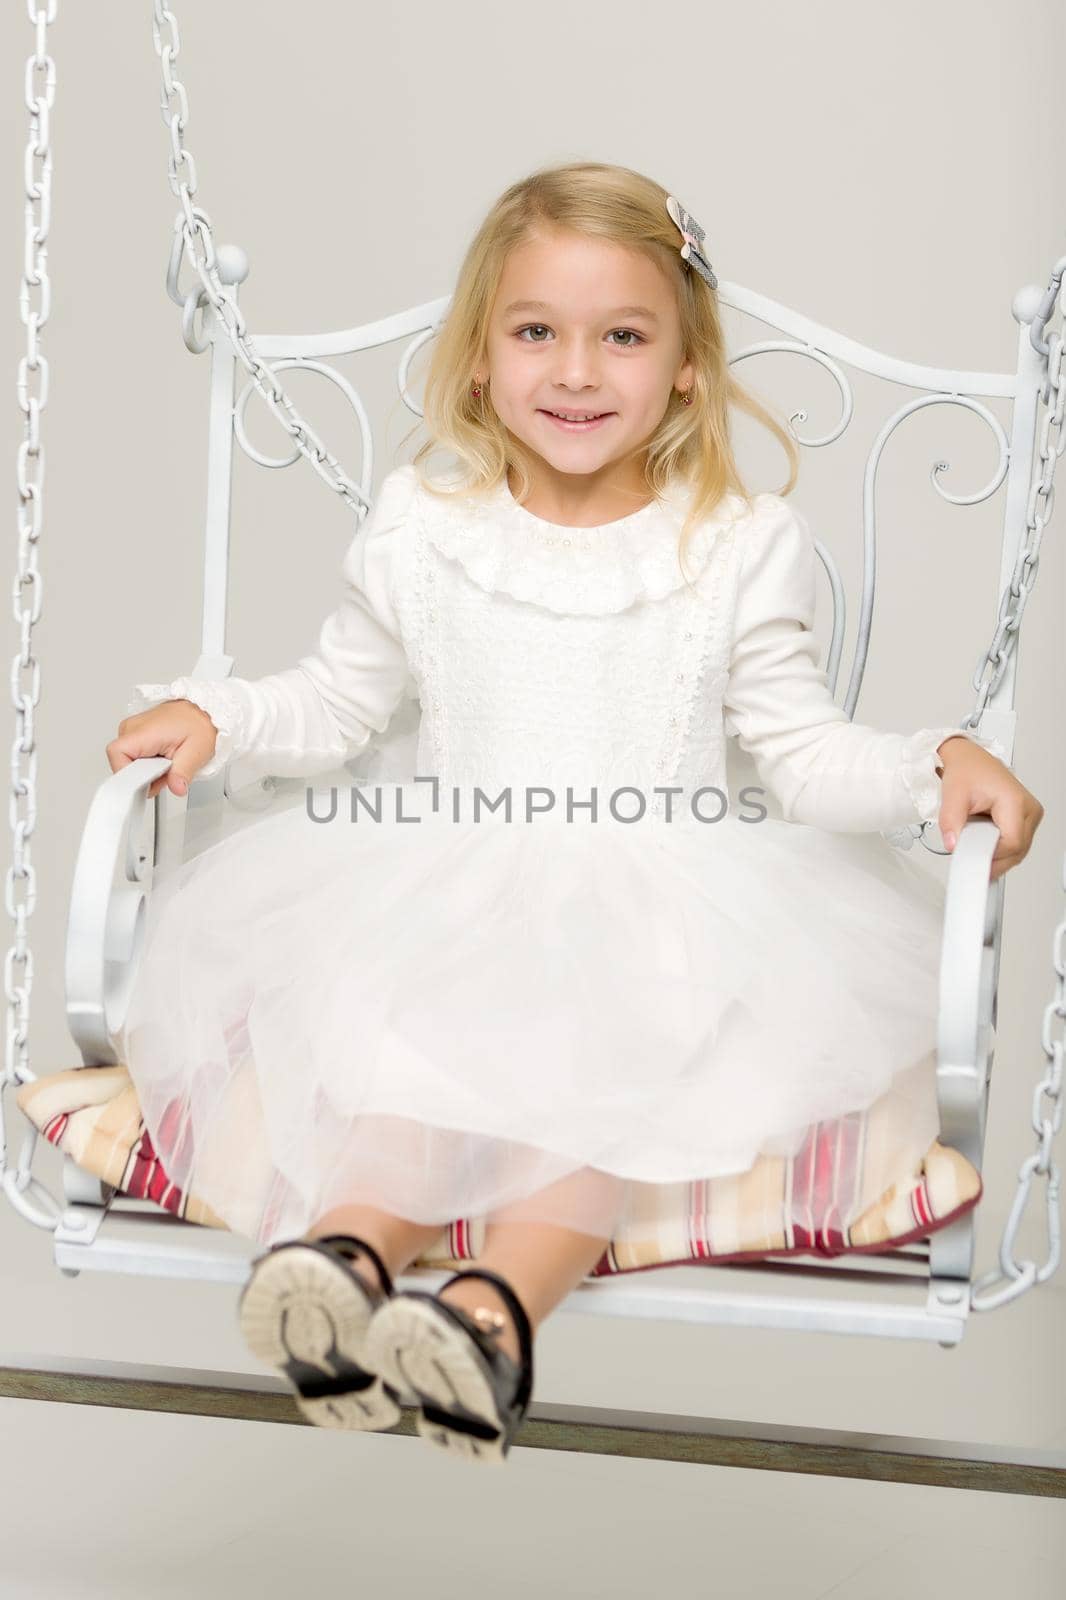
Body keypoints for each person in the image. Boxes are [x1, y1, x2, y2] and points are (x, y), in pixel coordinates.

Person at [106, 160, 1044, 1466]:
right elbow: (335, 699)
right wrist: (224, 720)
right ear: (480, 360)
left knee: (594, 1099)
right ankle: (341, 1266)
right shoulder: (426, 527)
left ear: (685, 371)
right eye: (535, 330)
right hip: (442, 881)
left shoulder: (734, 539)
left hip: (662, 902)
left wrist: (928, 764)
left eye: (623, 336)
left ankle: (490, 1319)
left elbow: (800, 754)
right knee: (402, 1071)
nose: (578, 369)